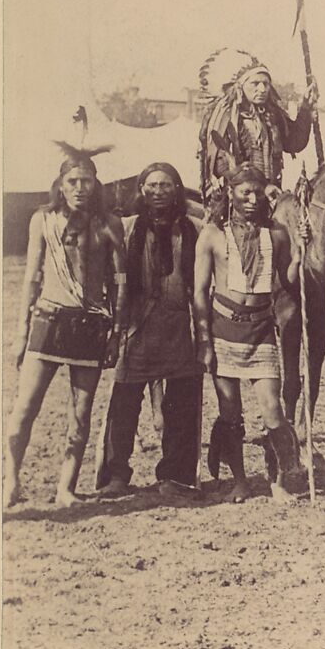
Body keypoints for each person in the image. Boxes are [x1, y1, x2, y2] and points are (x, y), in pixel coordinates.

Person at [5, 143, 127, 508]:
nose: (79, 188)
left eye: (86, 181)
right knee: (24, 409)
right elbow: (31, 277)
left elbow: (121, 282)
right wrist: (20, 333)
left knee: (80, 413)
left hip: (90, 327)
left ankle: (66, 487)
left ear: (96, 184)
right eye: (72, 181)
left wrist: (116, 335)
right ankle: (10, 479)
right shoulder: (42, 220)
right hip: (49, 321)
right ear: (60, 184)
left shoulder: (109, 224)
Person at [193, 163, 303, 503]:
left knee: (273, 409)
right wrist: (204, 340)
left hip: (261, 330)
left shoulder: (278, 234)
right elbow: (198, 291)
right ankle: (239, 481)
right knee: (230, 414)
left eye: (258, 192)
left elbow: (288, 282)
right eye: (245, 192)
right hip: (223, 327)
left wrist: (299, 255)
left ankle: (279, 480)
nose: (253, 199)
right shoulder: (212, 234)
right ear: (231, 193)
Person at [96, 162, 203, 497]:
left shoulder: (192, 229)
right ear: (141, 189)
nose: (159, 191)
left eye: (167, 185)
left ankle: (175, 476)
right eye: (152, 185)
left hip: (177, 327)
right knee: (125, 401)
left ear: (178, 190)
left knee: (181, 403)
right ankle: (116, 475)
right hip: (136, 326)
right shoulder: (126, 229)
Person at [198, 47, 317, 203]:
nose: (262, 89)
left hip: (272, 193)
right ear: (240, 87)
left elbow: (294, 143)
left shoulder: (274, 115)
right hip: (236, 199)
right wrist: (260, 186)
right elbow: (221, 166)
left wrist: (305, 108)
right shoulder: (225, 118)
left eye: (266, 84)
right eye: (255, 83)